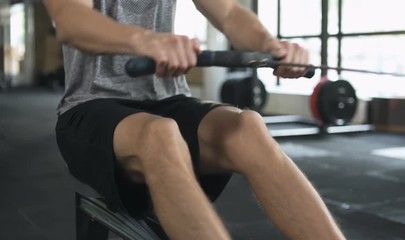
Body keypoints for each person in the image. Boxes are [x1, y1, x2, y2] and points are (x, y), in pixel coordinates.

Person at [44, 0, 346, 239]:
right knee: (160, 135)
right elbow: (70, 18)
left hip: (168, 99)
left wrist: (271, 46)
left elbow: (228, 13)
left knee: (247, 127)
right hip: (89, 105)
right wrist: (144, 39)